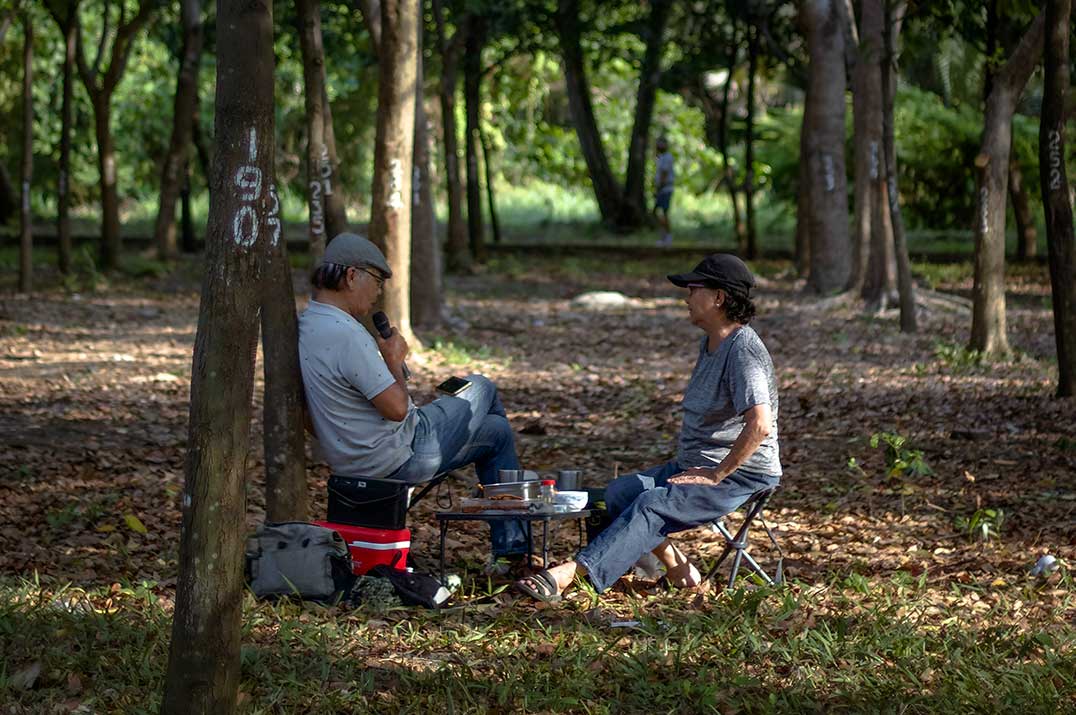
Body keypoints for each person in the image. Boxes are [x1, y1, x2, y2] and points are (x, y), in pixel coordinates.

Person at [515, 253, 780, 601]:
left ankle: (569, 576)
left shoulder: (743, 350)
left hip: (742, 474)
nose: (686, 296)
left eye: (693, 288)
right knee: (619, 494)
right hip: (695, 465)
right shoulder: (711, 342)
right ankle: (681, 570)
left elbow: (759, 424)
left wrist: (716, 474)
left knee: (651, 503)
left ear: (719, 297)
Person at [298, 233, 528, 560]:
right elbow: (396, 409)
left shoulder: (308, 323)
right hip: (402, 455)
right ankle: (516, 540)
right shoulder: (346, 334)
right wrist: (393, 361)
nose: (378, 294)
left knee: (497, 433)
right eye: (377, 282)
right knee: (482, 385)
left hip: (354, 459)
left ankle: (513, 550)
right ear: (351, 276)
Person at [653, 136, 675, 247]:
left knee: (663, 213)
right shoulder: (661, 157)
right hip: (662, 189)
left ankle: (668, 238)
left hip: (665, 189)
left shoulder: (667, 157)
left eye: (660, 143)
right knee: (660, 213)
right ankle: (663, 237)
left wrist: (658, 188)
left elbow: (664, 174)